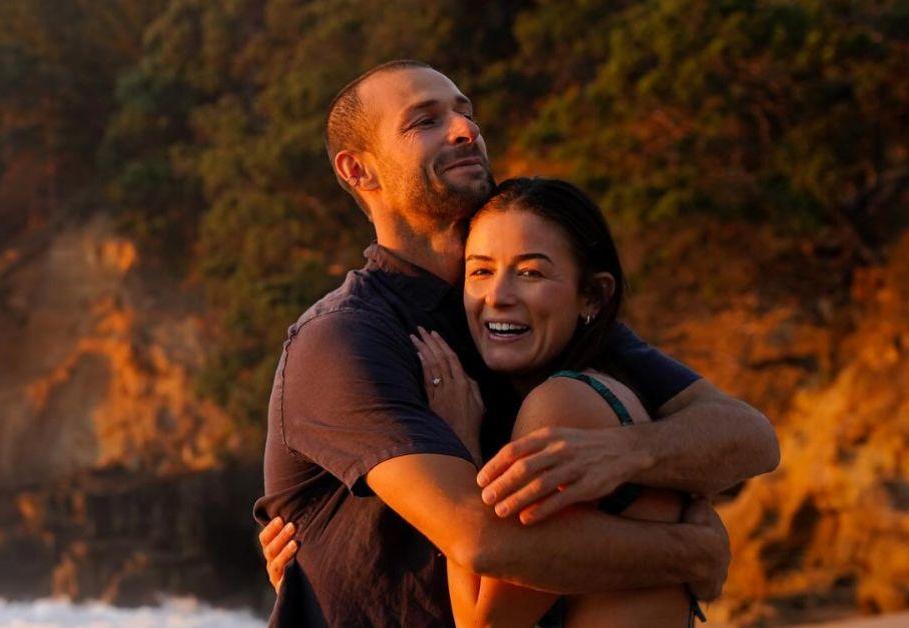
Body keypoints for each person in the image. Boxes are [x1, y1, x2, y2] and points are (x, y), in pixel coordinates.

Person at [253, 59, 779, 627]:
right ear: (358, 170)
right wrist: (690, 551)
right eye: (424, 121)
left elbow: (749, 437)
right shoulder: (346, 336)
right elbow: (481, 538)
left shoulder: (515, 309)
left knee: (598, 413)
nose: (465, 130)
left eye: (466, 112)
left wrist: (624, 455)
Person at [412, 176, 702, 626]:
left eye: (530, 272)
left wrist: (458, 441)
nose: (499, 296)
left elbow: (483, 621)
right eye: (481, 270)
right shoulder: (600, 393)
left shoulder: (563, 406)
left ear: (592, 296)